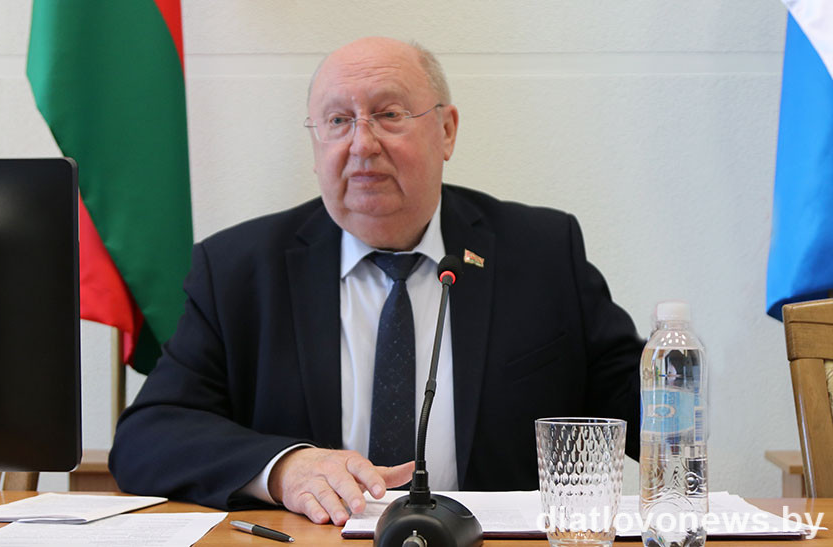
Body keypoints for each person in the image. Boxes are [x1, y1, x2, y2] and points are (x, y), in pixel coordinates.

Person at [109, 36, 642, 526]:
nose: (362, 143)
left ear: (447, 130)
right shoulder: (239, 270)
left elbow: (647, 407)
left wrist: (676, 370)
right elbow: (147, 438)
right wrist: (284, 468)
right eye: (338, 121)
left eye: (389, 115)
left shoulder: (542, 253)